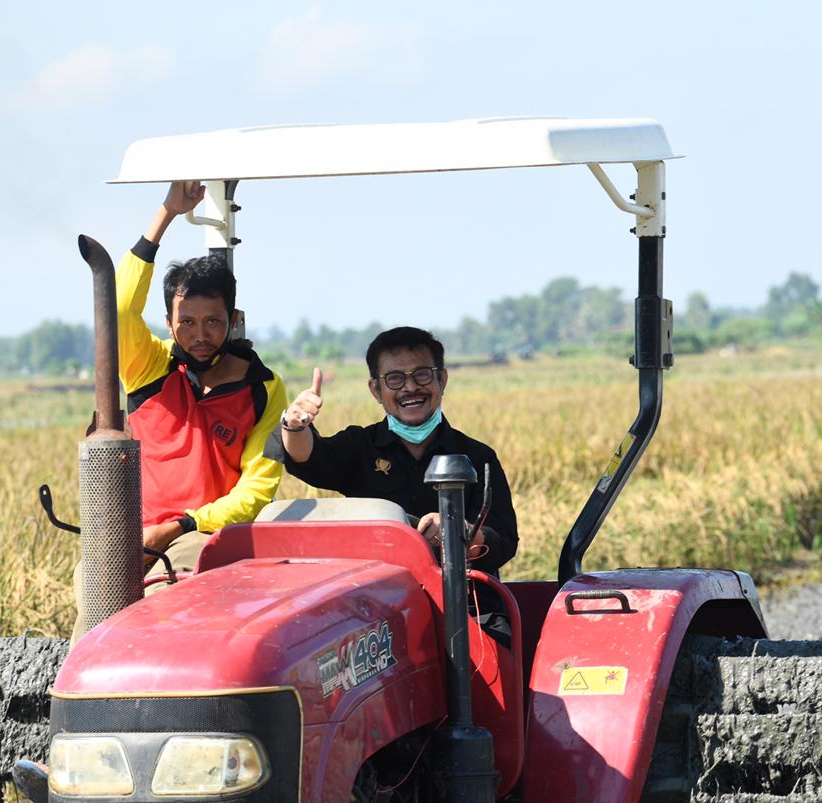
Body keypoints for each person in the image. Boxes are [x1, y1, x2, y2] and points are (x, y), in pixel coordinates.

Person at [72, 181, 288, 641]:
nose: (200, 334)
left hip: (205, 536)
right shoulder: (149, 366)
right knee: (95, 617)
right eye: (186, 322)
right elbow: (120, 307)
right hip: (134, 532)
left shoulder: (264, 389)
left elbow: (255, 490)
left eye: (212, 322)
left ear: (233, 320)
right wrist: (166, 214)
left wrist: (183, 524)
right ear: (169, 323)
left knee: (164, 611)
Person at [279, 326, 518, 584]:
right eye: (395, 379)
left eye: (422, 375)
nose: (410, 387)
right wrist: (294, 426)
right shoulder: (359, 446)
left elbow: (502, 542)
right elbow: (309, 459)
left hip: (466, 600)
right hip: (378, 601)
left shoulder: (477, 456)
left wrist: (458, 531)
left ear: (442, 380)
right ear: (376, 390)